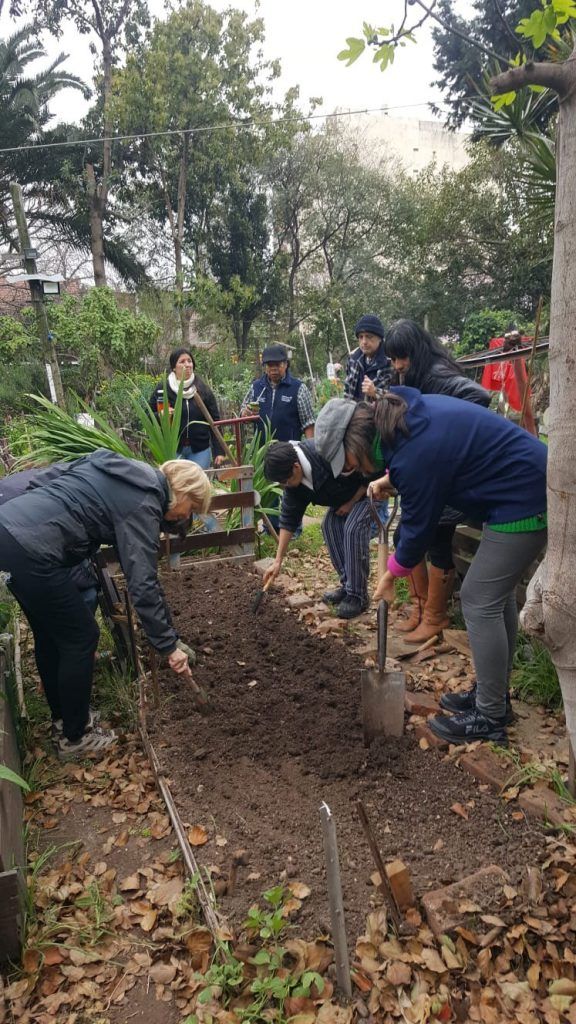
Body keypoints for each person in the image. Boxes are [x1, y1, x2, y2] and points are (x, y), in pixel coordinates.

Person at [314, 390, 547, 745]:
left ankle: (490, 715)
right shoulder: (403, 422)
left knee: (479, 598)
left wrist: (391, 573)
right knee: (492, 597)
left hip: (523, 497)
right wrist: (391, 479)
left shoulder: (413, 453)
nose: (351, 470)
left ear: (357, 438)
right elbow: (436, 461)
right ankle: (493, 695)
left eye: (346, 462)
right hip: (520, 487)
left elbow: (418, 528)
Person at [0, 451, 211, 760]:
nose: (182, 518)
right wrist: (168, 646)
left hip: (11, 530)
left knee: (52, 635)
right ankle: (75, 738)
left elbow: (48, 479)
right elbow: (142, 584)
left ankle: (66, 723)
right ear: (182, 492)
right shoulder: (144, 502)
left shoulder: (119, 466)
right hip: (33, 547)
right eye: (189, 509)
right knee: (81, 636)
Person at [382, 318, 491, 642]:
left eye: (403, 357)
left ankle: (435, 616)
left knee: (436, 540)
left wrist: (446, 433)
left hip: (448, 474)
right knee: (407, 536)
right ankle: (421, 608)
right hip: (432, 473)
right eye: (394, 358)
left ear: (416, 350)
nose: (398, 365)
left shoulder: (440, 375)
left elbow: (479, 397)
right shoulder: (413, 374)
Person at [263, 440, 372, 619]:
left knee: (353, 529)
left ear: (296, 466)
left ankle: (358, 596)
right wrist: (278, 560)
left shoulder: (324, 453)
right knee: (329, 526)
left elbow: (367, 472)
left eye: (286, 480)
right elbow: (289, 519)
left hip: (369, 491)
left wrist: (352, 501)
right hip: (344, 500)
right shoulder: (294, 486)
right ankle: (348, 586)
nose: (286, 486)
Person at [242, 344, 315, 532]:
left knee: (290, 492)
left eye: (278, 364)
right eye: (269, 365)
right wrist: (246, 412)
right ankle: (270, 529)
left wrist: (312, 451)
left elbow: (308, 423)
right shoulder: (256, 388)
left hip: (289, 452)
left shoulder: (298, 388)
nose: (273, 369)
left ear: (286, 365)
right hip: (263, 452)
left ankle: (293, 529)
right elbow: (243, 417)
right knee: (268, 491)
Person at [150, 348, 227, 469]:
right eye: (182, 361)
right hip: (173, 449)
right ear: (174, 367)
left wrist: (219, 451)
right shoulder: (163, 389)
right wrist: (160, 415)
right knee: (177, 486)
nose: (187, 364)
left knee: (198, 486)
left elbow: (215, 421)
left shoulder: (202, 389)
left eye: (189, 361)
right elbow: (147, 415)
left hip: (199, 450)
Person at [343, 314, 392, 402]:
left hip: (380, 414)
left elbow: (397, 399)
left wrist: (375, 392)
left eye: (369, 336)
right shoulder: (353, 360)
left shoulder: (390, 362)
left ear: (380, 338)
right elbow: (347, 392)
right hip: (355, 412)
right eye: (361, 337)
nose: (364, 342)